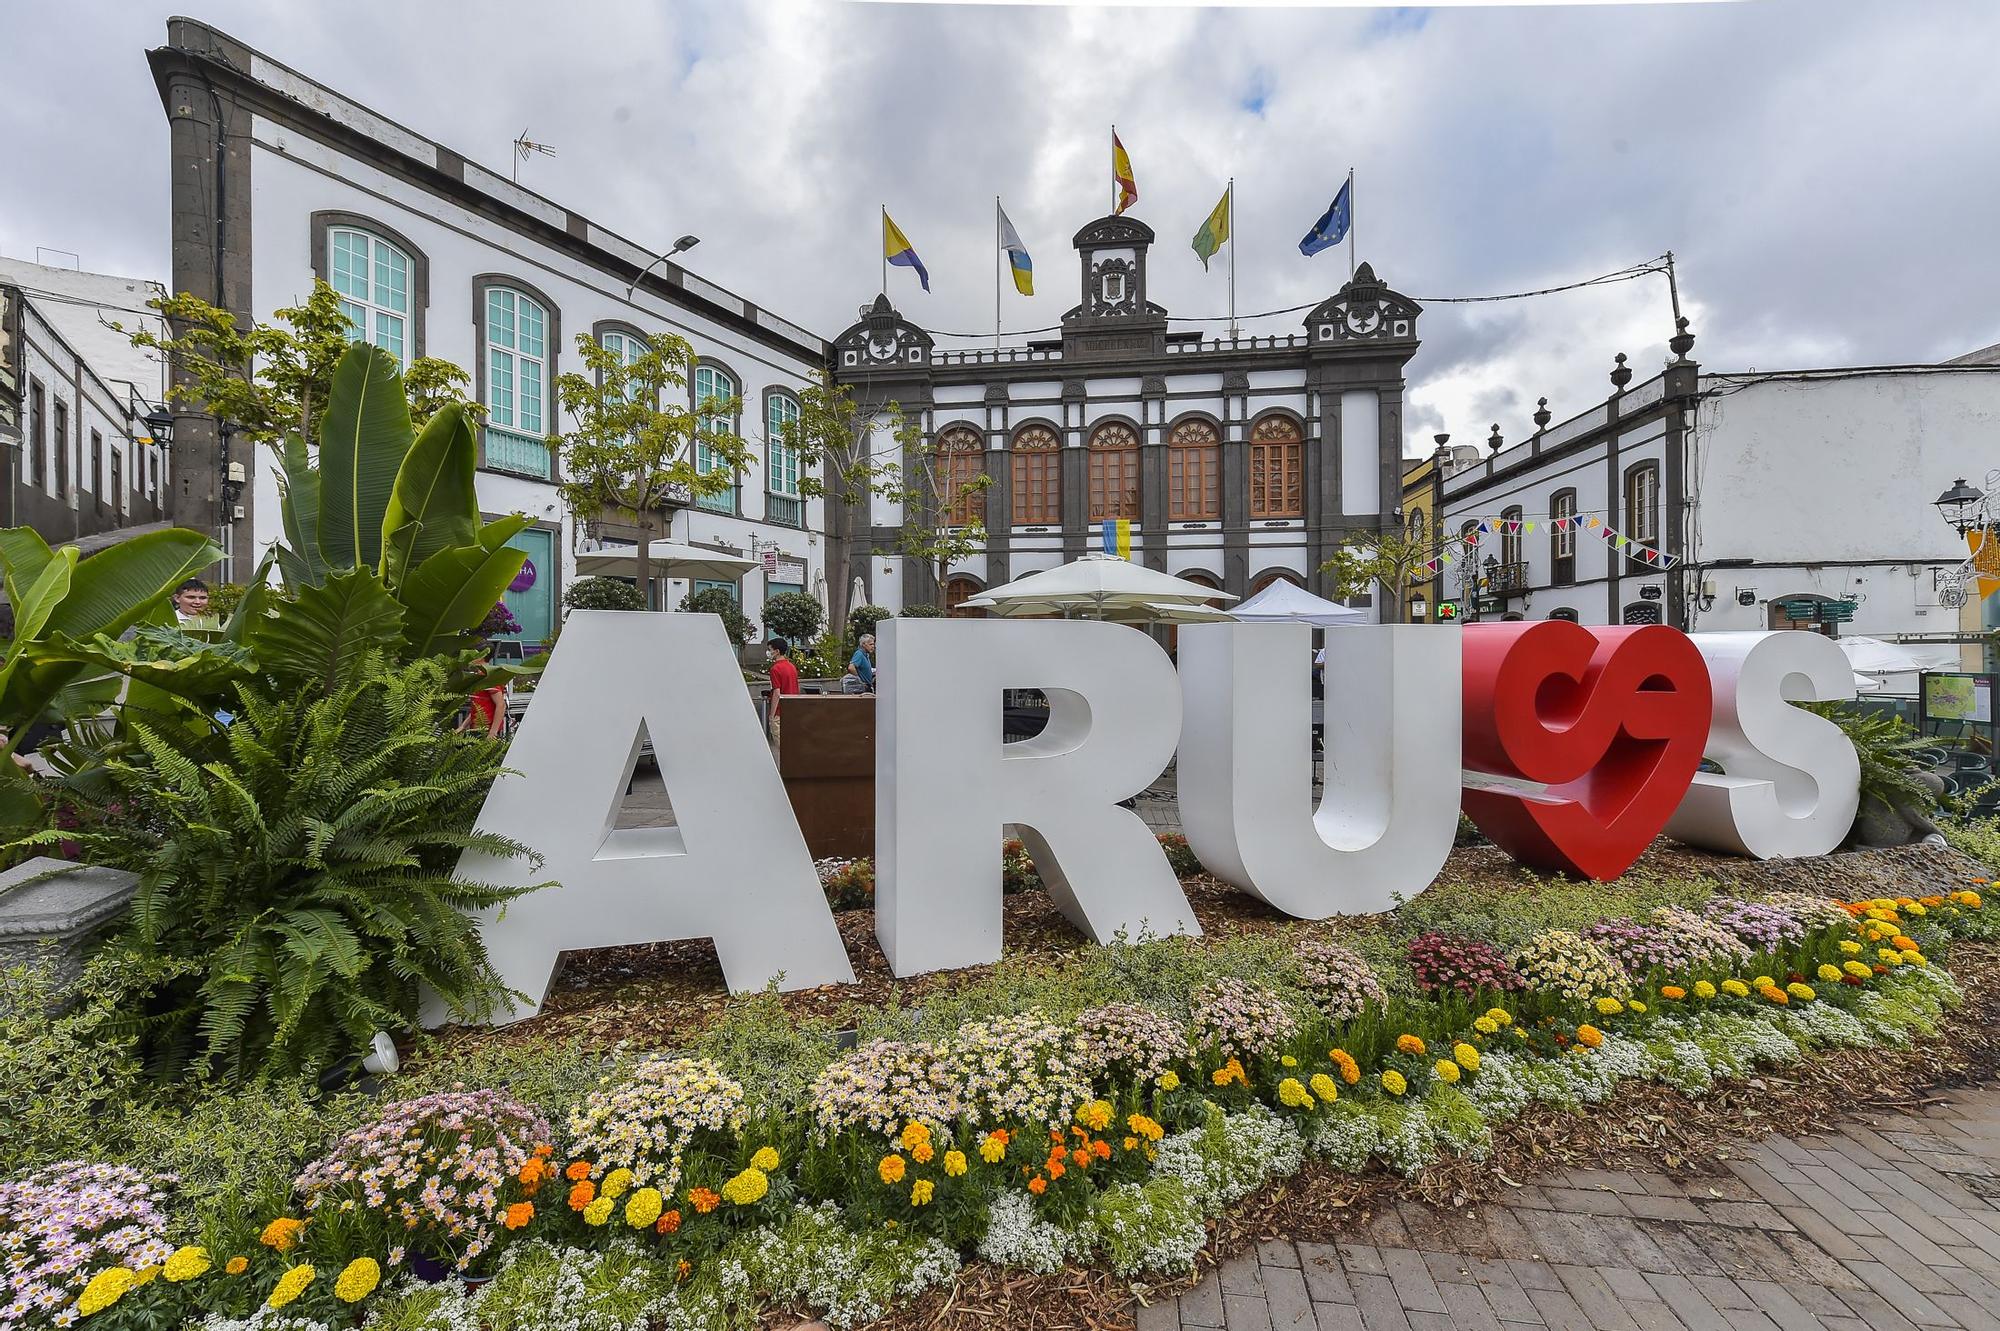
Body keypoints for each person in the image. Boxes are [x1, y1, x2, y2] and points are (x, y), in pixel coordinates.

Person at [457, 658, 509, 739]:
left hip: (487, 730)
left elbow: (501, 705)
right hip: (477, 728)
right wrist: (463, 726)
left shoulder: (488, 677)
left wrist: (493, 732)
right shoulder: (478, 676)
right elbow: (478, 708)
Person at [767, 637, 801, 747]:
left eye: (770, 649)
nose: (769, 652)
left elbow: (777, 693)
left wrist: (771, 715)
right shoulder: (792, 667)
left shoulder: (775, 669)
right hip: (792, 710)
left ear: (776, 651)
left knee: (781, 747)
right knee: (791, 745)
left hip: (779, 712)